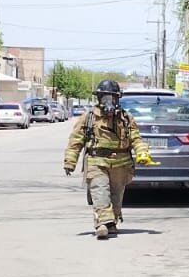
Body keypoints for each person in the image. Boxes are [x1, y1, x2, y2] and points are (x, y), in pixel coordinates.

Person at [63, 79, 152, 240]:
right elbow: (76, 140)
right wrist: (70, 162)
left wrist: (142, 152)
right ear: (99, 98)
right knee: (100, 191)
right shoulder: (89, 117)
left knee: (116, 196)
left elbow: (136, 138)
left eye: (112, 98)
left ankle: (112, 222)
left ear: (117, 99)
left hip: (121, 165)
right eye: (105, 98)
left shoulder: (125, 118)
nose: (108, 102)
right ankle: (102, 224)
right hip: (97, 162)